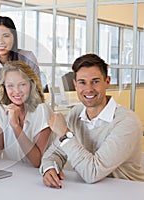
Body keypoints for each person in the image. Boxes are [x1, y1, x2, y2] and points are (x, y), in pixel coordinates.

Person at [40, 54, 144, 188]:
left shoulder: (127, 122)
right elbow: (53, 155)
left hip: (126, 192)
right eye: (82, 82)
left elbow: (92, 173)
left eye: (95, 81)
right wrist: (49, 168)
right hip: (88, 192)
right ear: (75, 85)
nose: (89, 89)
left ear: (107, 82)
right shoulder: (75, 113)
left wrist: (65, 134)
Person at [0, 16, 41, 150]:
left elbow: (36, 94)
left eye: (6, 36)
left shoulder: (27, 58)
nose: (0, 41)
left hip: (25, 121)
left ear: (14, 38)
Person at [0, 61, 53, 168]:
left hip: (37, 177)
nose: (16, 91)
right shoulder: (3, 110)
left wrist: (15, 126)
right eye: (10, 86)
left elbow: (37, 161)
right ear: (4, 87)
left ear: (31, 84)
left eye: (22, 84)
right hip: (13, 174)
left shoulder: (43, 111)